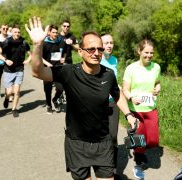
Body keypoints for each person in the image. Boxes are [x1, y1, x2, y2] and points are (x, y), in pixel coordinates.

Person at [25, 16, 137, 180]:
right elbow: (37, 72)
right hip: (77, 144)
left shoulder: (109, 74)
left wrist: (128, 114)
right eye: (91, 49)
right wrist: (37, 44)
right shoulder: (69, 72)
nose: (96, 53)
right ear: (80, 52)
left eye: (100, 49)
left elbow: (117, 93)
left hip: (103, 143)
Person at [122, 39, 161, 179]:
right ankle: (138, 164)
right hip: (136, 110)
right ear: (139, 51)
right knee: (140, 139)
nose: (149, 55)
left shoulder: (156, 67)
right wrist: (131, 97)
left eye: (151, 53)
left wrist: (158, 88)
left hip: (151, 109)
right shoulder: (131, 68)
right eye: (146, 52)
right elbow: (125, 90)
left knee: (153, 141)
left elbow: (157, 82)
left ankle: (138, 148)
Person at [0, 25, 31, 118]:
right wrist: (6, 60)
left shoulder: (23, 42)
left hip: (19, 69)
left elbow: (30, 54)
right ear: (12, 32)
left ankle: (14, 109)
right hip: (8, 70)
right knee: (9, 92)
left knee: (17, 91)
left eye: (19, 32)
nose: (17, 34)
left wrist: (28, 60)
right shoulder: (7, 41)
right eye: (15, 32)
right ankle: (6, 98)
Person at [100, 34, 120, 177]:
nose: (109, 45)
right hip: (97, 104)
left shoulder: (114, 60)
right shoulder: (95, 59)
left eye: (111, 42)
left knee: (113, 135)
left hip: (113, 102)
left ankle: (113, 169)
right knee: (100, 135)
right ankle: (102, 167)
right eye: (106, 43)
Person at [42, 24, 66, 114]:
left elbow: (64, 52)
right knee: (48, 89)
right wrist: (47, 63)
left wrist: (63, 57)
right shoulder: (45, 43)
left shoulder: (61, 41)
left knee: (60, 88)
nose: (55, 34)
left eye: (56, 32)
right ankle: (48, 105)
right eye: (53, 32)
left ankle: (55, 99)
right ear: (49, 33)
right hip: (47, 69)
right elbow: (40, 57)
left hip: (58, 69)